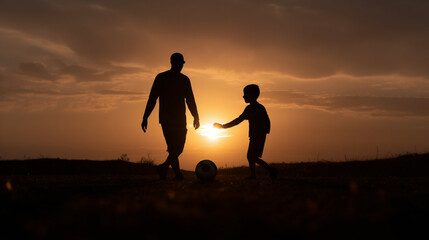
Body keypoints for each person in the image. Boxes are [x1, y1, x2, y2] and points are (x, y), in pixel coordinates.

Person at [142, 53, 200, 180]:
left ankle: (163, 167)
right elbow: (152, 98)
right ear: (172, 63)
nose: (180, 66)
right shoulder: (161, 78)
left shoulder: (185, 80)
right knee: (173, 147)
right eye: (178, 63)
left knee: (178, 148)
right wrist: (145, 117)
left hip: (180, 119)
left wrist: (196, 116)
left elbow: (190, 99)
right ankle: (177, 174)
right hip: (166, 119)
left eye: (181, 64)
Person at [214, 84, 277, 179]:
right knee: (252, 156)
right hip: (258, 135)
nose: (243, 96)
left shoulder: (251, 109)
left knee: (252, 156)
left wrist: (223, 126)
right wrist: (266, 131)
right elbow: (267, 121)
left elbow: (238, 120)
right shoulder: (260, 107)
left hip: (257, 136)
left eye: (245, 94)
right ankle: (260, 173)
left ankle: (265, 172)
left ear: (251, 95)